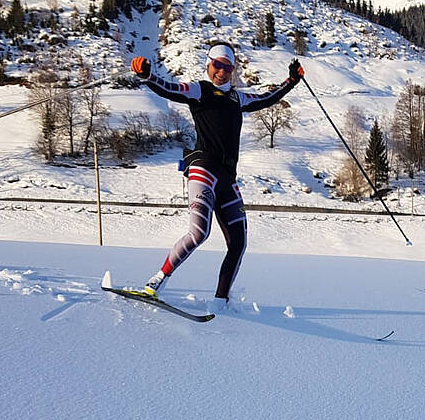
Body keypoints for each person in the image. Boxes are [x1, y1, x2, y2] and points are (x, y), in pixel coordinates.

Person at [129, 42, 304, 310]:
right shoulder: (200, 90)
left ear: (233, 70)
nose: (222, 72)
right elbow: (170, 89)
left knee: (238, 243)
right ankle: (156, 281)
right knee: (199, 233)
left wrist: (292, 80)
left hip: (227, 179)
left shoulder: (238, 98)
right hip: (203, 168)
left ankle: (220, 302)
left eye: (227, 67)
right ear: (208, 64)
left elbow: (267, 98)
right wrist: (147, 76)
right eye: (217, 65)